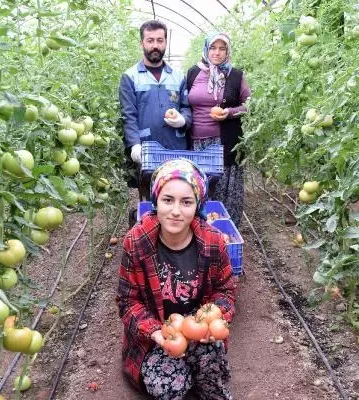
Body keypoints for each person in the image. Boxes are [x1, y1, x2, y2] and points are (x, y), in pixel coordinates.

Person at [116, 158, 236, 399]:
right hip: (159, 334)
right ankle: (186, 373)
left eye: (187, 202)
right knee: (168, 388)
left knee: (210, 364)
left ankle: (204, 381)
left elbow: (226, 291)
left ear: (198, 205)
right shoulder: (136, 241)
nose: (176, 211)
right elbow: (127, 302)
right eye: (167, 200)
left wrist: (214, 319)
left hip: (197, 328)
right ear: (155, 201)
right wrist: (155, 332)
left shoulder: (213, 241)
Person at [119, 20, 192, 202]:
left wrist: (183, 120)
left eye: (160, 40)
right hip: (147, 149)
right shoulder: (130, 77)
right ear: (142, 43)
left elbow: (186, 107)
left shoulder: (177, 75)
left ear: (165, 43)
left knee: (175, 195)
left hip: (175, 148)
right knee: (149, 198)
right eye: (150, 40)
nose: (155, 45)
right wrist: (134, 144)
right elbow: (129, 115)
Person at [186, 32, 251, 227]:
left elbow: (249, 105)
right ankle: (198, 231)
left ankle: (224, 233)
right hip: (198, 142)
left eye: (222, 49)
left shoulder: (236, 75)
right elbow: (184, 103)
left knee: (224, 191)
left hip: (225, 142)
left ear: (227, 51)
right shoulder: (193, 73)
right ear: (206, 49)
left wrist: (229, 113)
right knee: (199, 188)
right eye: (213, 48)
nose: (217, 53)